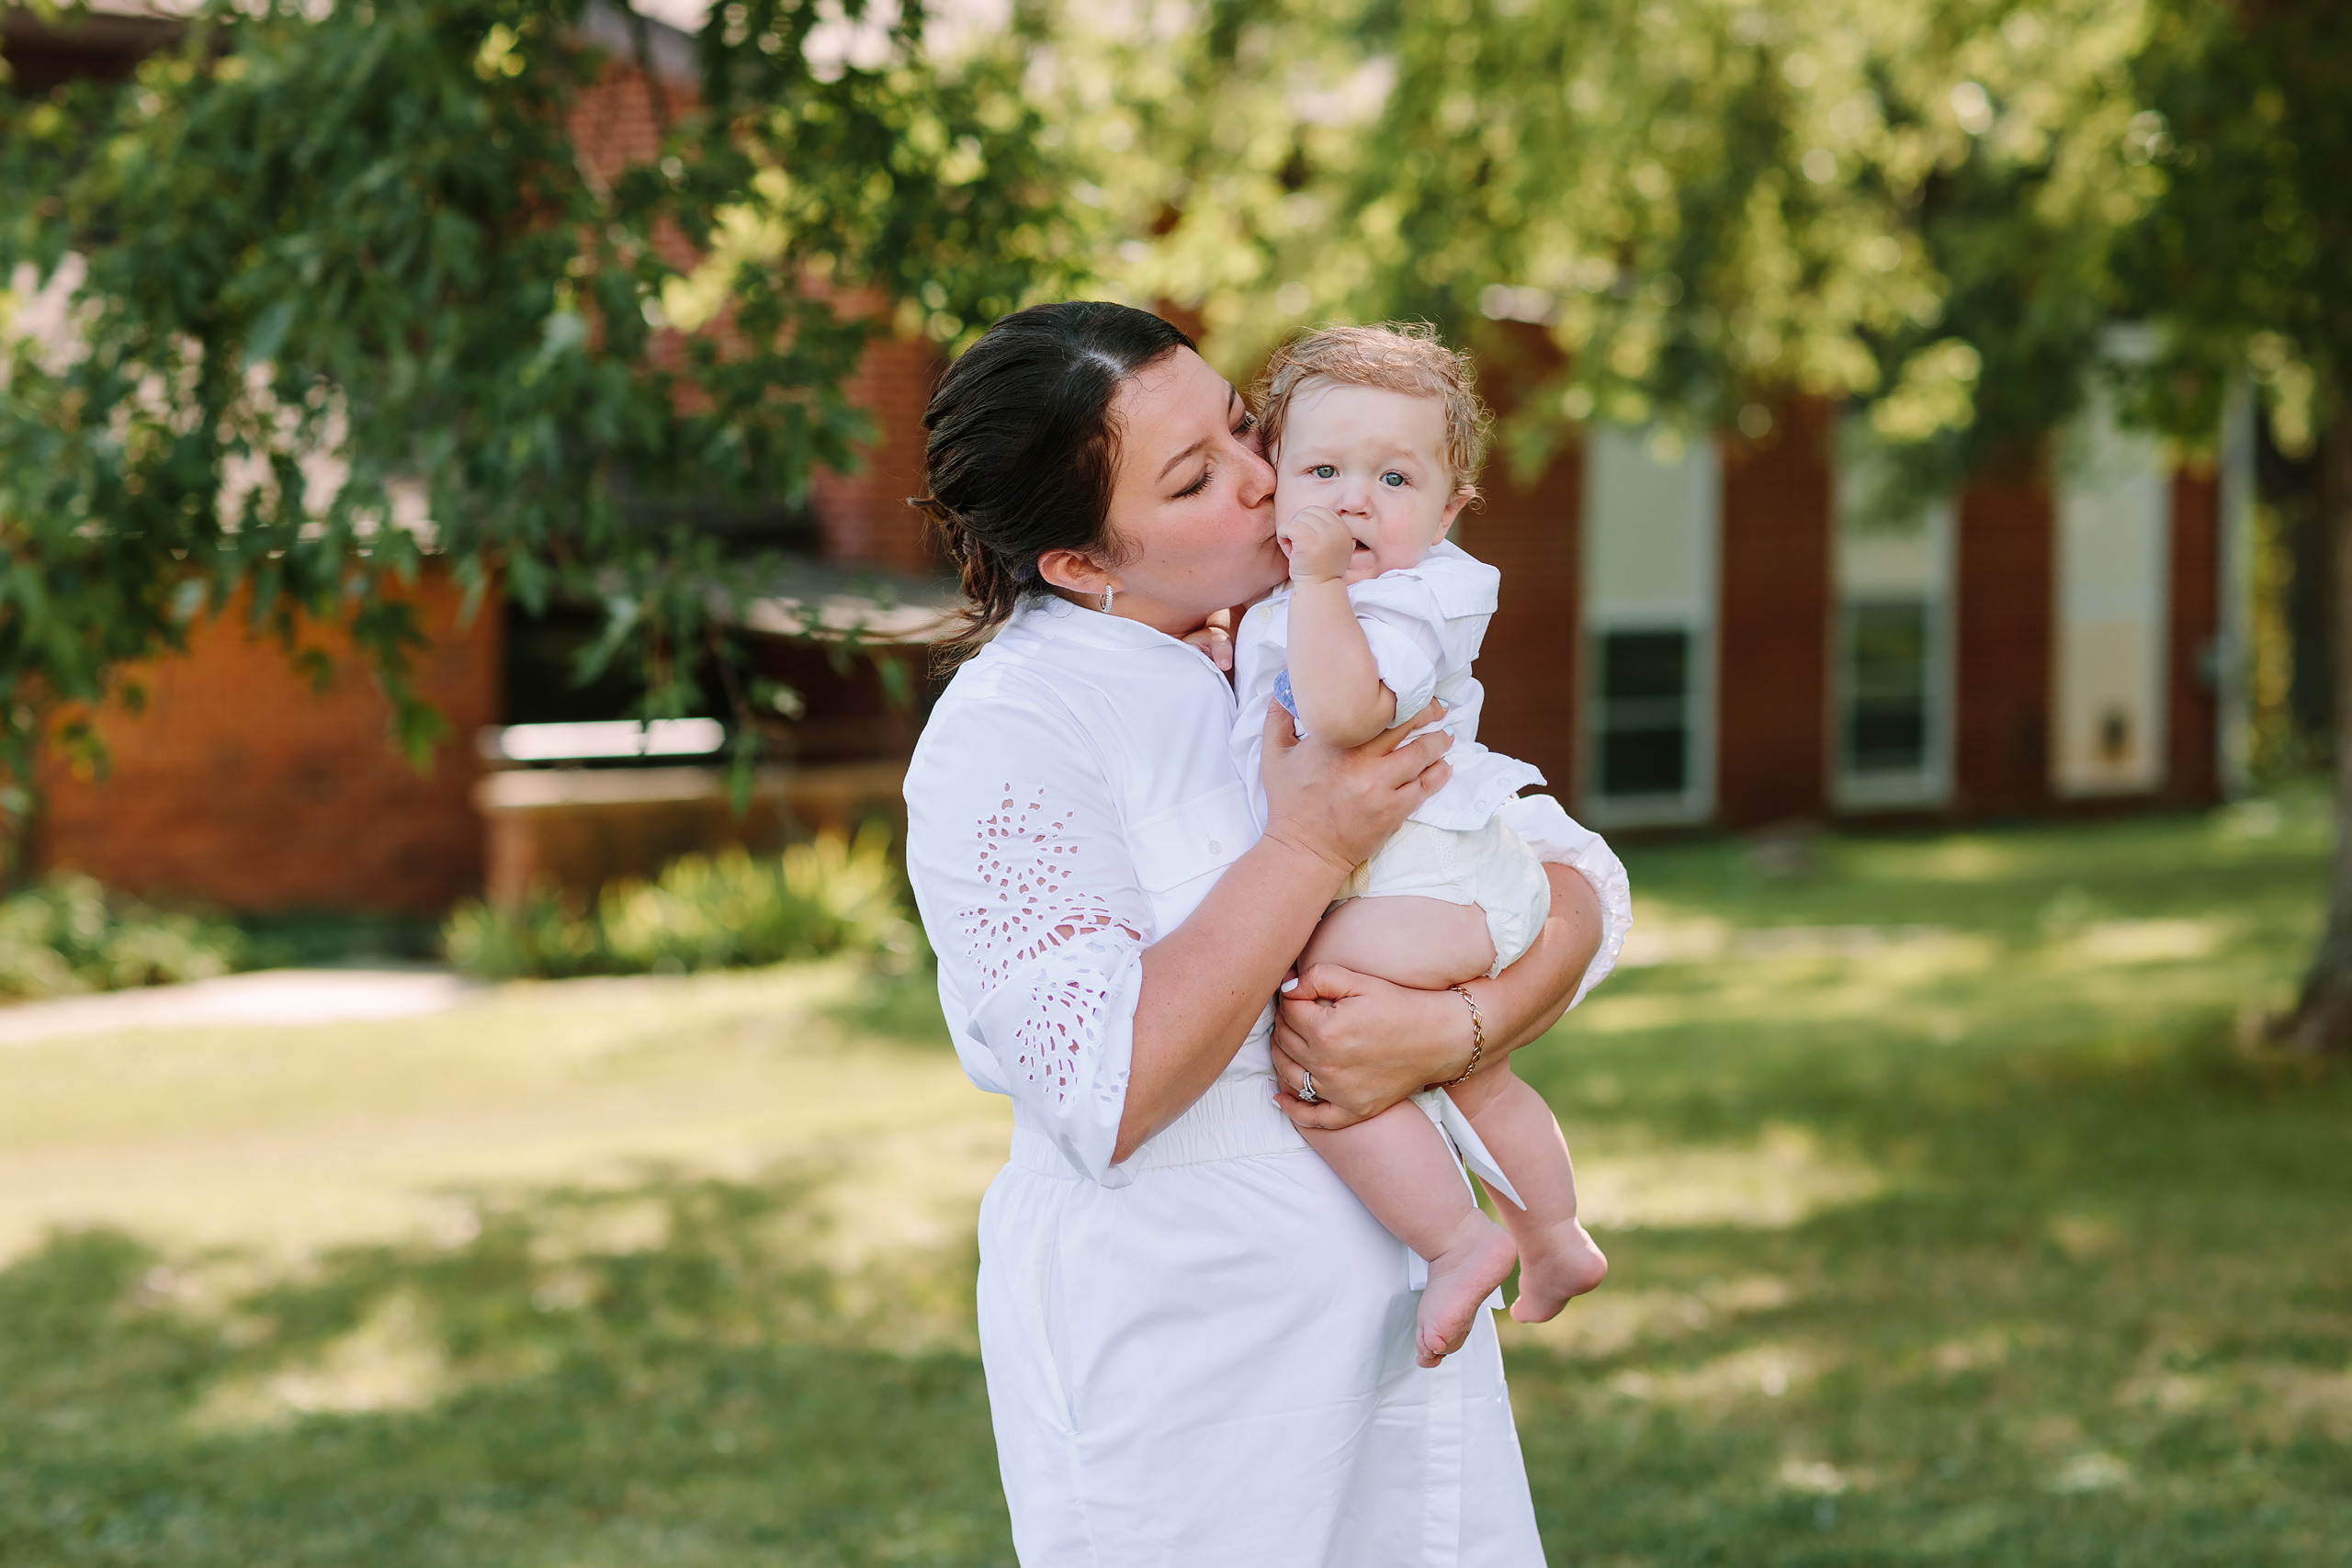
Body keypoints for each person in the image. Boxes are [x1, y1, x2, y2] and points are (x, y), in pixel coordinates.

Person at [900, 301, 1633, 1566]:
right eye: (1196, 479)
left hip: (1402, 1301)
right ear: (1083, 563)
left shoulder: (1302, 630)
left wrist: (1469, 1024)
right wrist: (1308, 847)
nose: (1265, 483)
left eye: (1246, 428)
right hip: (1197, 1352)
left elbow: (1564, 869)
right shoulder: (1014, 732)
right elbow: (1104, 1085)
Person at [1223, 323, 1610, 1371]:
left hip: (1436, 875)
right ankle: (1553, 1236)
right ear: (1270, 481)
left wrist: (1310, 586)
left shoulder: (1405, 597)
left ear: (1447, 509)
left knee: (1323, 1027)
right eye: (1322, 470)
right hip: (1437, 879)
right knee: (1473, 1078)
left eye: (1393, 476)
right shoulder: (1300, 596)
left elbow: (1345, 714)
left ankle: (1456, 1241)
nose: (1353, 500)